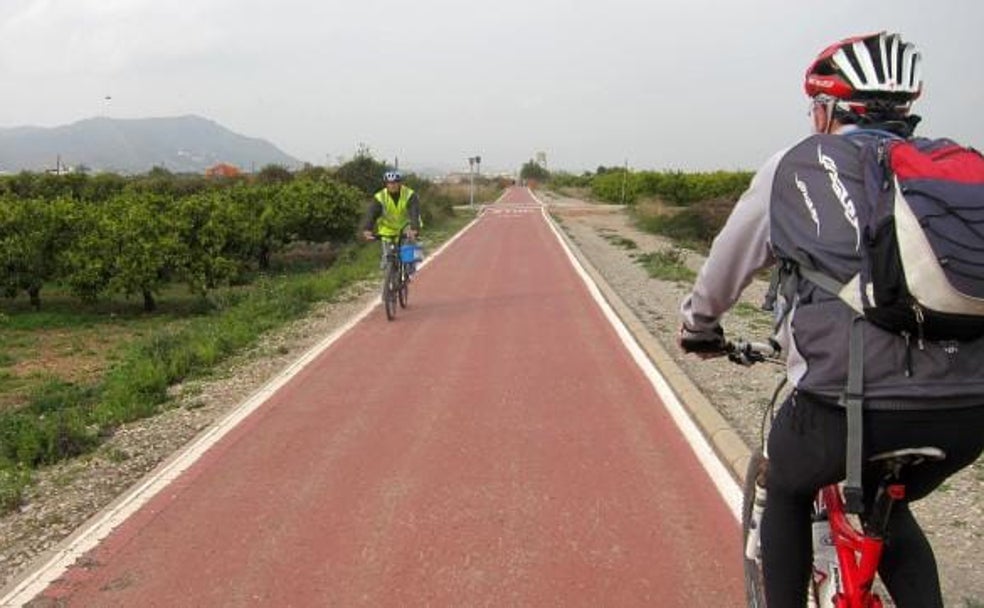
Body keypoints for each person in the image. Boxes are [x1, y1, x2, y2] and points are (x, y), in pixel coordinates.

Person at [677, 32, 984, 607]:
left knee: (788, 489)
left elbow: (725, 268)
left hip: (848, 404)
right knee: (890, 510)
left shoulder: (795, 167)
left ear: (826, 110)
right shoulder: (952, 172)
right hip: (970, 408)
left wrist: (699, 327)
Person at [362, 170, 422, 269]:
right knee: (387, 258)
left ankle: (409, 269)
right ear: (386, 184)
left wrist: (414, 228)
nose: (392, 185)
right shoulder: (380, 197)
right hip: (387, 228)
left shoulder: (409, 194)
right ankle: (389, 276)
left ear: (400, 183)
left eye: (395, 182)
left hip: (406, 227)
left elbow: (414, 212)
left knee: (408, 258)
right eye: (389, 183)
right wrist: (367, 229)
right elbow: (371, 214)